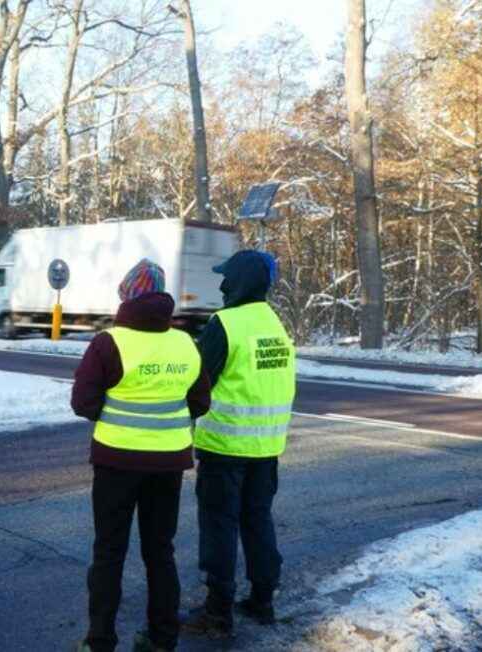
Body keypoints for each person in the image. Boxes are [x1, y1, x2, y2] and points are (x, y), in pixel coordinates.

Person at [70, 259, 213, 652]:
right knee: (160, 552)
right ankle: (163, 638)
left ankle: (99, 641)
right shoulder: (185, 343)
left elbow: (83, 402)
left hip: (116, 463)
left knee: (109, 553)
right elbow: (200, 402)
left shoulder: (108, 342)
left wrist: (113, 415)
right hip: (168, 464)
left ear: (128, 295)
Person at [182, 249, 296, 638]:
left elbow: (198, 382)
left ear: (241, 282)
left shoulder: (226, 323)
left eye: (227, 277)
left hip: (225, 447)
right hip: (266, 449)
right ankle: (262, 600)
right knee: (258, 521)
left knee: (219, 526)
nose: (222, 284)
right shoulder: (275, 324)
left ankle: (217, 612)